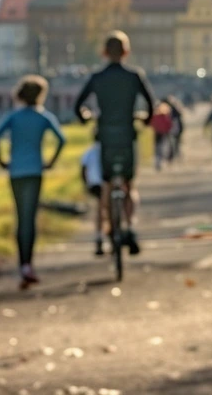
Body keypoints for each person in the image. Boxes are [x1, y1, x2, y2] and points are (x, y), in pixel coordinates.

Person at [73, 31, 154, 255]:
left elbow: (78, 105)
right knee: (129, 185)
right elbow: (150, 104)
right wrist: (145, 119)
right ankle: (130, 226)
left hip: (105, 136)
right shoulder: (134, 76)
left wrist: (85, 117)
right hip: (128, 134)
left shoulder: (97, 77)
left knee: (108, 184)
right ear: (126, 52)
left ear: (104, 53)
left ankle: (107, 230)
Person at [0, 75, 66, 288]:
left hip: (15, 171)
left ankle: (22, 263)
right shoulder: (44, 117)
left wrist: (1, 160)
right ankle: (29, 265)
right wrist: (51, 161)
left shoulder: (13, 117)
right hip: (35, 170)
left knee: (20, 216)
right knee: (30, 217)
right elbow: (61, 139)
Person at [80, 142, 105, 255]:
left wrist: (86, 184)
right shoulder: (113, 148)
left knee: (100, 208)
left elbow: (83, 169)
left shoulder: (89, 151)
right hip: (102, 183)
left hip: (94, 184)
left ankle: (99, 235)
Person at [150, 102, 174, 172]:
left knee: (158, 148)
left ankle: (159, 162)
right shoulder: (164, 116)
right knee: (162, 148)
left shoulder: (155, 116)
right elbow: (169, 125)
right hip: (163, 134)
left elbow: (152, 124)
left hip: (158, 133)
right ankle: (160, 162)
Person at [165, 97, 185, 163]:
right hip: (173, 130)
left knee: (174, 145)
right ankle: (173, 158)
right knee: (173, 145)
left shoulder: (171, 110)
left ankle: (174, 158)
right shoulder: (169, 110)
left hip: (174, 130)